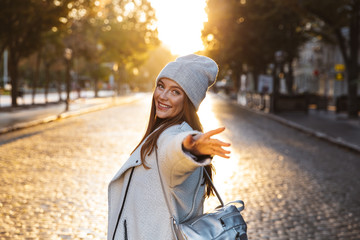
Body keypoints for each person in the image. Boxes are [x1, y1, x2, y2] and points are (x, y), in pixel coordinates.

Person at [108, 54, 231, 240]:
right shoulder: (159, 132)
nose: (163, 96)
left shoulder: (171, 135)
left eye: (175, 92)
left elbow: (172, 153)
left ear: (188, 100)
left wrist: (191, 147)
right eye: (161, 86)